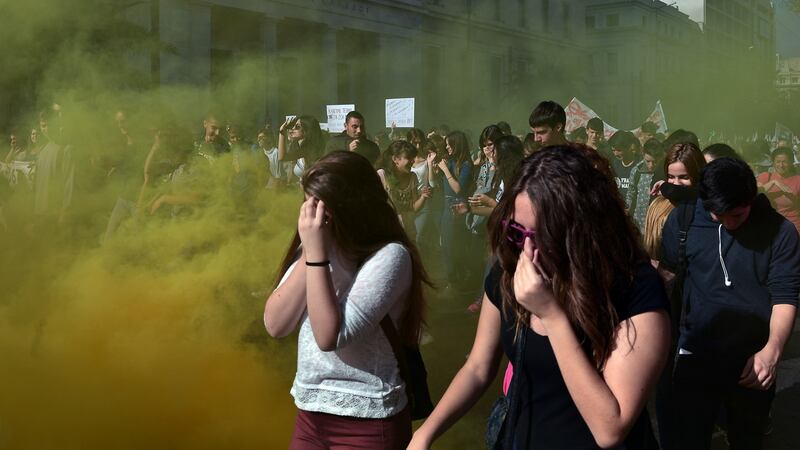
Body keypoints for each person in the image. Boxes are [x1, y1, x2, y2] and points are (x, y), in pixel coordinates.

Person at [408, 146, 670, 450]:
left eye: (543, 235)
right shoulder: (510, 272)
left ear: (582, 230)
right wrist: (425, 434)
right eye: (518, 231)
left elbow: (610, 429)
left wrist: (552, 316)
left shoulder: (634, 287)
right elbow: (478, 368)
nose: (527, 251)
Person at [264, 151, 430, 450]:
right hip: (310, 413)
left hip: (367, 419)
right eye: (307, 203)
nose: (311, 215)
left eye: (319, 206)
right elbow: (276, 325)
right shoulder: (318, 244)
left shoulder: (390, 256)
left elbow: (330, 336)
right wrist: (310, 253)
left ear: (350, 208)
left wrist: (316, 255)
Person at [660, 157, 800, 450]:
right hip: (694, 354)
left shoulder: (781, 232)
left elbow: (785, 295)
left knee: (747, 440)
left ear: (751, 198)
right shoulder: (685, 219)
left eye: (736, 215)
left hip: (752, 361)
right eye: (716, 214)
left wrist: (772, 352)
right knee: (686, 440)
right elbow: (668, 274)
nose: (726, 221)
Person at [642, 143, 706, 263]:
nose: (676, 183)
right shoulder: (658, 207)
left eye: (684, 177)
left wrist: (665, 187)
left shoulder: (706, 206)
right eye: (671, 177)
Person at [433, 130, 474, 288]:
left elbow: (458, 189)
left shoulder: (466, 165)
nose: (447, 147)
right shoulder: (449, 161)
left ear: (458, 145)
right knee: (446, 244)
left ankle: (455, 282)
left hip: (457, 206)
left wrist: (445, 170)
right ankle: (453, 280)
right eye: (446, 144)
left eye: (450, 145)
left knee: (453, 245)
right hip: (446, 206)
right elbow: (433, 181)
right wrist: (434, 166)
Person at [378, 140, 431, 241]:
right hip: (388, 234)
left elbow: (414, 208)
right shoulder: (382, 175)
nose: (413, 161)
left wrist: (423, 197)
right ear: (395, 159)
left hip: (408, 233)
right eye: (409, 158)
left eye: (413, 158)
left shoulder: (413, 177)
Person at [757, 146, 800, 233]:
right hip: (768, 226)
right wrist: (774, 182)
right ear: (773, 163)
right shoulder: (766, 177)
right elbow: (754, 192)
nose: (781, 165)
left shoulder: (797, 180)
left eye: (785, 162)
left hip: (792, 227)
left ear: (791, 162)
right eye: (778, 162)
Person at [626, 138, 662, 232]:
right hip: (638, 223)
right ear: (643, 155)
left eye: (655, 162)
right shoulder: (637, 171)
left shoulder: (665, 172)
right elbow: (630, 194)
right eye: (648, 161)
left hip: (657, 224)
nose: (651, 165)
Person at [277, 115, 324, 179]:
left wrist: (282, 132)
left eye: (297, 127)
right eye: (293, 126)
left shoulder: (308, 149)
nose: (293, 128)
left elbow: (282, 157)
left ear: (307, 130)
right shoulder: (298, 146)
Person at [609, 130, 641, 201]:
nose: (616, 154)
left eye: (619, 150)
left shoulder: (640, 165)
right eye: (613, 150)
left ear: (629, 147)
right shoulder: (614, 164)